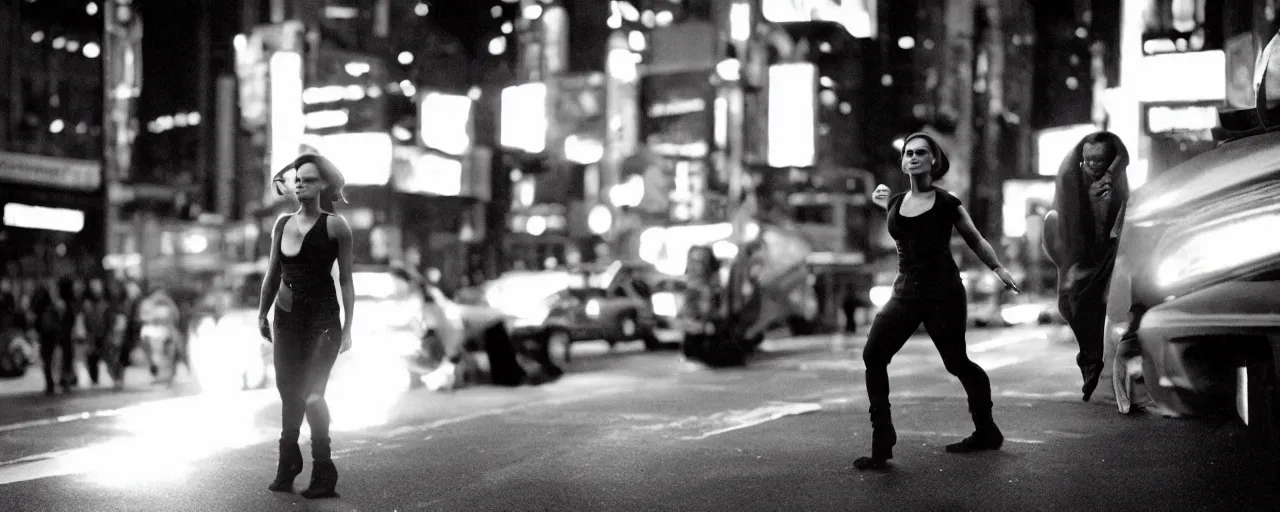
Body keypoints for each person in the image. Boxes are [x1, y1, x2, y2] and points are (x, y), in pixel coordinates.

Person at [855, 133, 1020, 471]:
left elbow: (974, 237)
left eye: (921, 153)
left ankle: (986, 429)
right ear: (903, 162)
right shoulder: (895, 201)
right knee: (873, 354)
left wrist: (998, 269)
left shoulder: (947, 203)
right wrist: (878, 196)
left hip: (943, 290)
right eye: (908, 153)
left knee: (957, 362)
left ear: (934, 161)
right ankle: (882, 439)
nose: (913, 157)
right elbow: (883, 199)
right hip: (904, 292)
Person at [258, 152, 356, 499]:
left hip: (323, 322)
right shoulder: (282, 224)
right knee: (289, 393)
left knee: (313, 394)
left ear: (323, 185)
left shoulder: (335, 226)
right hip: (285, 319)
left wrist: (347, 328)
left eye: (309, 179)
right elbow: (273, 273)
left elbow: (345, 280)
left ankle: (323, 469)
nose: (300, 183)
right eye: (297, 178)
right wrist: (261, 313)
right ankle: (288, 465)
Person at [1042, 131, 1129, 403]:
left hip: (1112, 251)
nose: (1093, 166)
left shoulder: (1117, 180)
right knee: (1072, 304)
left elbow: (1124, 218)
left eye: (1099, 161)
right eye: (1087, 160)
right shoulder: (1071, 182)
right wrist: (1072, 268)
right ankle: (1090, 361)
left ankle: (1111, 369)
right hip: (1076, 253)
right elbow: (1068, 229)